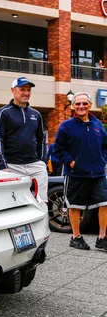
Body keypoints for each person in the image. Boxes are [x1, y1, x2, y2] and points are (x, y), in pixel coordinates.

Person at [53, 92, 107, 251]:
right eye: (77, 104)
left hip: (98, 173)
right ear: (73, 106)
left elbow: (105, 146)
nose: (81, 106)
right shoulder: (66, 126)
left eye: (84, 103)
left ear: (90, 105)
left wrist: (103, 159)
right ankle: (76, 237)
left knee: (105, 203)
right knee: (75, 206)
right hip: (75, 174)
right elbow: (58, 149)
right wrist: (71, 162)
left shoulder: (97, 125)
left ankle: (102, 238)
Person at [0, 76, 48, 201]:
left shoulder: (36, 114)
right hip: (12, 166)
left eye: (28, 90)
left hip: (35, 165)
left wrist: (43, 161)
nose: (26, 93)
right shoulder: (3, 113)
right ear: (13, 90)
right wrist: (2, 165)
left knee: (41, 201)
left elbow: (42, 140)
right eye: (22, 89)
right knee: (12, 201)